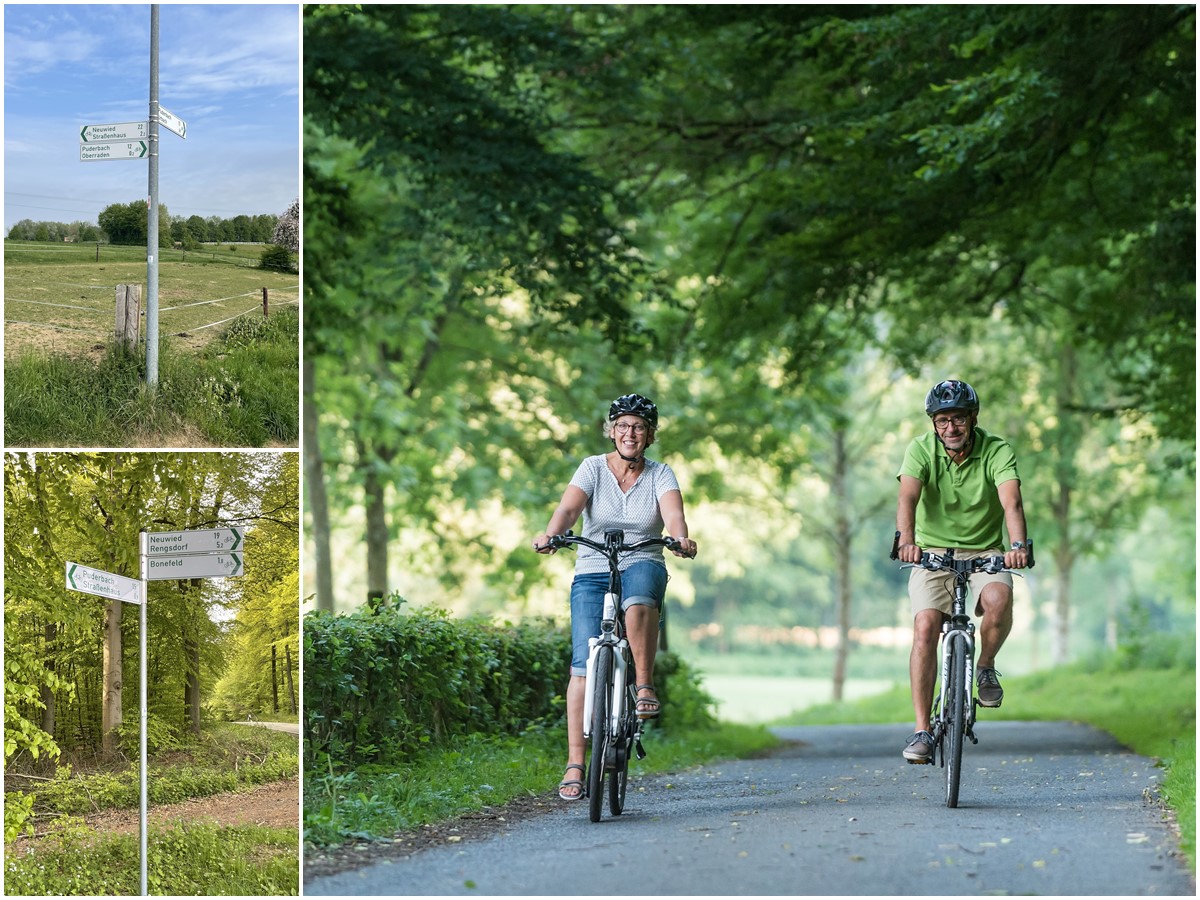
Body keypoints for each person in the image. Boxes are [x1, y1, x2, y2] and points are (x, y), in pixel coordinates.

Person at [533, 393, 697, 801]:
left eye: (639, 427)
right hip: (592, 565)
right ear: (611, 431)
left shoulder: (661, 474)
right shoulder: (591, 468)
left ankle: (643, 686)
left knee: (640, 601)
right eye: (622, 426)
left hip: (642, 558)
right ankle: (575, 762)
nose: (630, 433)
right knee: (582, 667)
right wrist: (552, 534)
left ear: (650, 435)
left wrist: (680, 538)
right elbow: (569, 511)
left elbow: (673, 516)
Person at [894, 379, 1030, 764]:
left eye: (958, 419)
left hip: (987, 549)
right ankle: (922, 730)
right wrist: (906, 540)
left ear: (972, 419)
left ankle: (984, 667)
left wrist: (1018, 547)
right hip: (932, 550)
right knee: (924, 627)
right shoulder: (920, 449)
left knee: (999, 598)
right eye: (942, 421)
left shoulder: (996, 450)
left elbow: (1012, 502)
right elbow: (908, 496)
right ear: (933, 424)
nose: (950, 428)